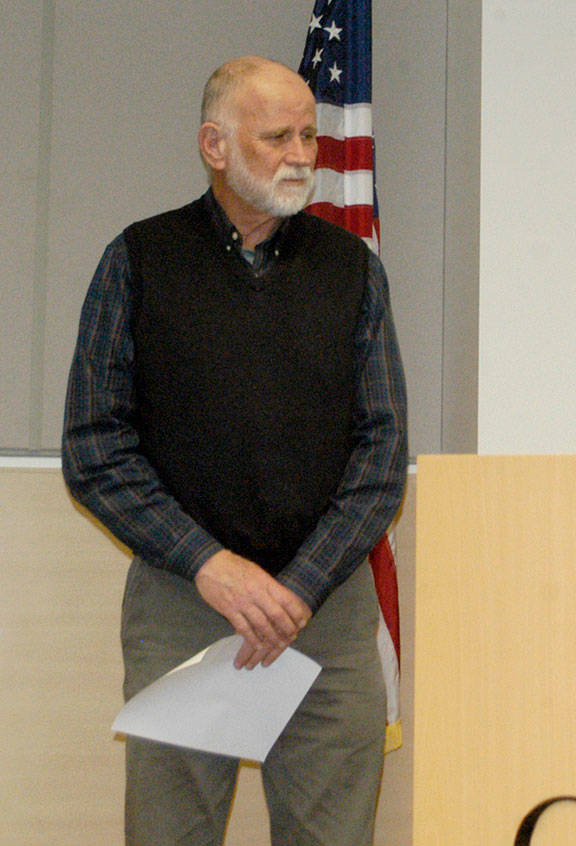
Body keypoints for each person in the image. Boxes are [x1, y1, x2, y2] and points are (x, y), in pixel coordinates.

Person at [62, 56, 407, 844]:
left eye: (311, 136)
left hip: (327, 613)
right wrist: (215, 570)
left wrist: (300, 586)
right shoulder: (139, 261)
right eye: (277, 136)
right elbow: (94, 447)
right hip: (185, 604)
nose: (302, 155)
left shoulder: (352, 271)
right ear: (214, 146)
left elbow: (382, 452)